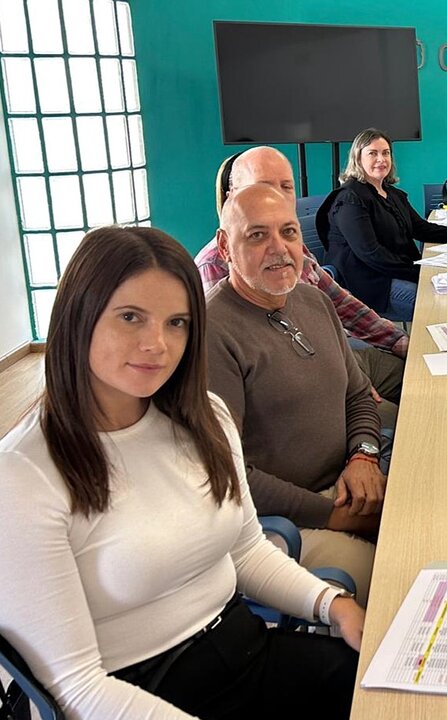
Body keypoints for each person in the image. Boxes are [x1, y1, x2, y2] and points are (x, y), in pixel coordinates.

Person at [0, 226, 363, 719]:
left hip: (242, 651)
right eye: (131, 317)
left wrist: (333, 605)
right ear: (78, 316)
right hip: (133, 695)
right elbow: (75, 689)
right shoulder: (23, 475)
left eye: (177, 323)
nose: (157, 344)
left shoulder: (204, 417)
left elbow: (247, 550)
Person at [207, 184, 386, 602]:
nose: (279, 249)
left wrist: (363, 455)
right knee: (390, 581)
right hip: (281, 520)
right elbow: (232, 476)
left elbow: (358, 395)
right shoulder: (213, 332)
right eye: (257, 235)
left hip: (347, 481)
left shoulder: (311, 300)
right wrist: (336, 517)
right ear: (224, 246)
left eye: (288, 232)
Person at [194, 147, 406, 431]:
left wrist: (396, 339)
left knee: (425, 377)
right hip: (309, 390)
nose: (278, 197)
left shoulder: (292, 248)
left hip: (340, 358)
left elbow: (340, 303)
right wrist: (348, 392)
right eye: (265, 186)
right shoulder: (213, 268)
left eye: (286, 186)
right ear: (233, 193)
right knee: (408, 424)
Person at [318, 128, 447, 321]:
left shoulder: (391, 194)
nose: (381, 159)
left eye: (386, 153)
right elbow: (371, 254)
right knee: (442, 307)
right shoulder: (350, 199)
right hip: (370, 284)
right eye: (372, 153)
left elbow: (420, 227)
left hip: (394, 272)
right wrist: (419, 271)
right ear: (358, 159)